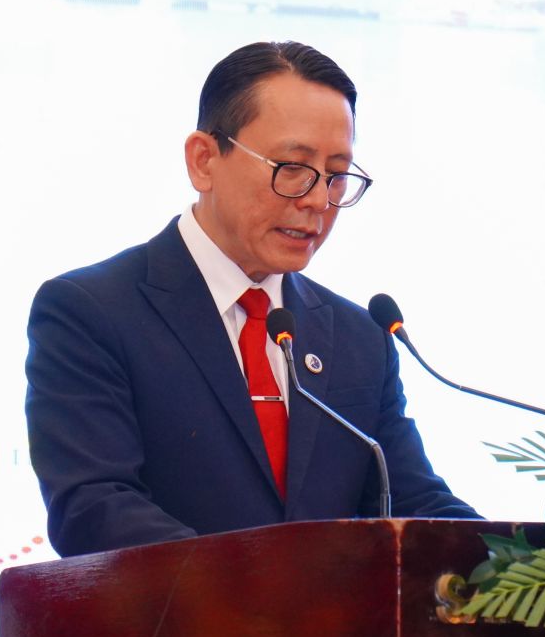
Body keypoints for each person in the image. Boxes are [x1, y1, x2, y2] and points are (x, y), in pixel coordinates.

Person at [25, 40, 478, 557]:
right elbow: (94, 508)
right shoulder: (92, 312)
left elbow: (415, 503)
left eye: (336, 175)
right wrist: (268, 591)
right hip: (175, 612)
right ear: (203, 161)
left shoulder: (360, 338)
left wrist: (532, 567)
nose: (318, 200)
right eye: (292, 167)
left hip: (324, 616)